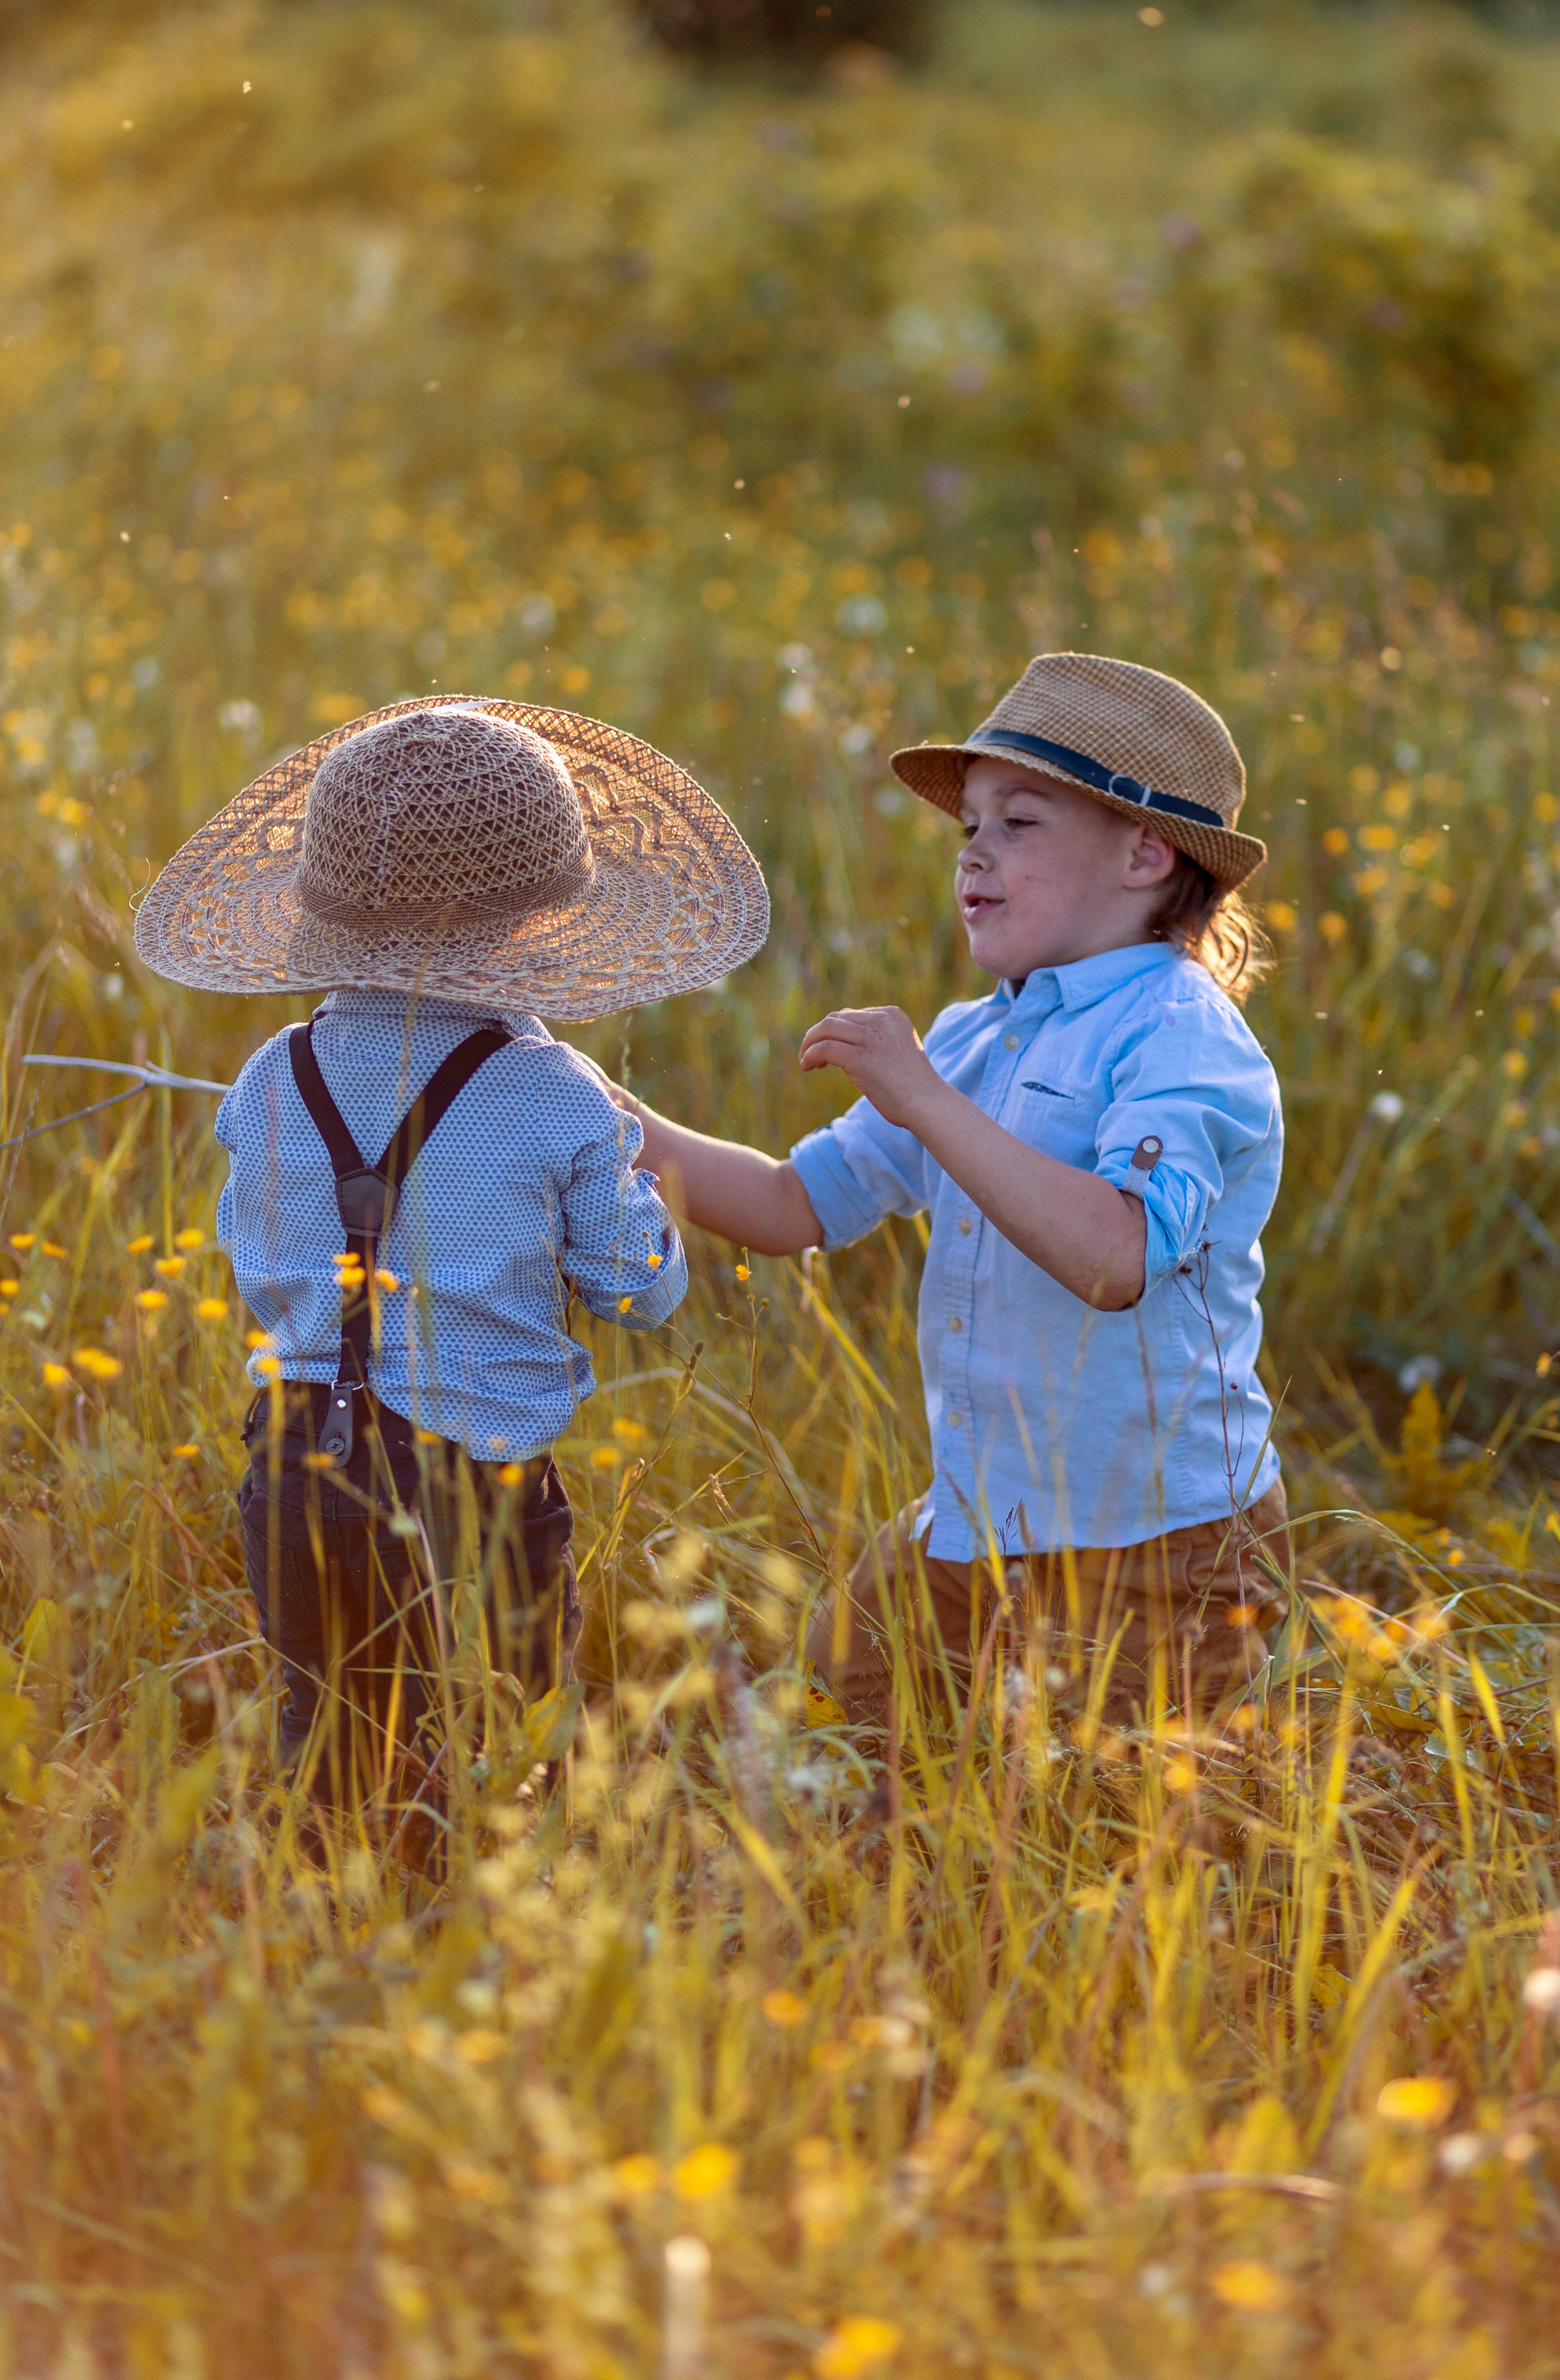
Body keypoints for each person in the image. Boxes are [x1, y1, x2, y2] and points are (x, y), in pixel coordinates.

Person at [624, 651, 1290, 1731]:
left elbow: (1117, 1259)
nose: (975, 853)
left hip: (1161, 1546)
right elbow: (795, 1204)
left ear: (1146, 855)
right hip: (983, 1525)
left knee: (1100, 1833)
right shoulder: (974, 1037)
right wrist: (617, 1124)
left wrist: (924, 1100)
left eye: (1019, 824)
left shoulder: (1180, 1032)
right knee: (837, 1729)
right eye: (969, 826)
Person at [135, 696, 768, 1804]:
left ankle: (342, 1925)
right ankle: (479, 1925)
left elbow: (254, 1258)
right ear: (542, 924)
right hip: (477, 1478)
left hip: (292, 1460)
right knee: (510, 1738)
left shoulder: (269, 1074)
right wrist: (627, 1179)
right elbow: (644, 1294)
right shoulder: (554, 1093)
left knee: (328, 1736)